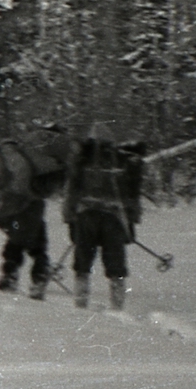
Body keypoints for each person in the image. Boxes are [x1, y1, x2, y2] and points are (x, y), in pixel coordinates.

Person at [62, 125, 143, 310]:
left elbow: (71, 189)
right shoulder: (121, 159)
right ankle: (117, 304)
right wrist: (131, 221)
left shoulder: (82, 158)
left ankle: (80, 303)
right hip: (113, 216)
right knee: (116, 263)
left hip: (86, 214)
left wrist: (69, 217)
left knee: (82, 263)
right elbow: (131, 193)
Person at [0, 124, 51, 300]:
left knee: (18, 242)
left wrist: (15, 194)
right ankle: (38, 276)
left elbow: (21, 171)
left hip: (23, 205)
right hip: (23, 205)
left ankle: (12, 278)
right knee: (32, 242)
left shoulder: (6, 151)